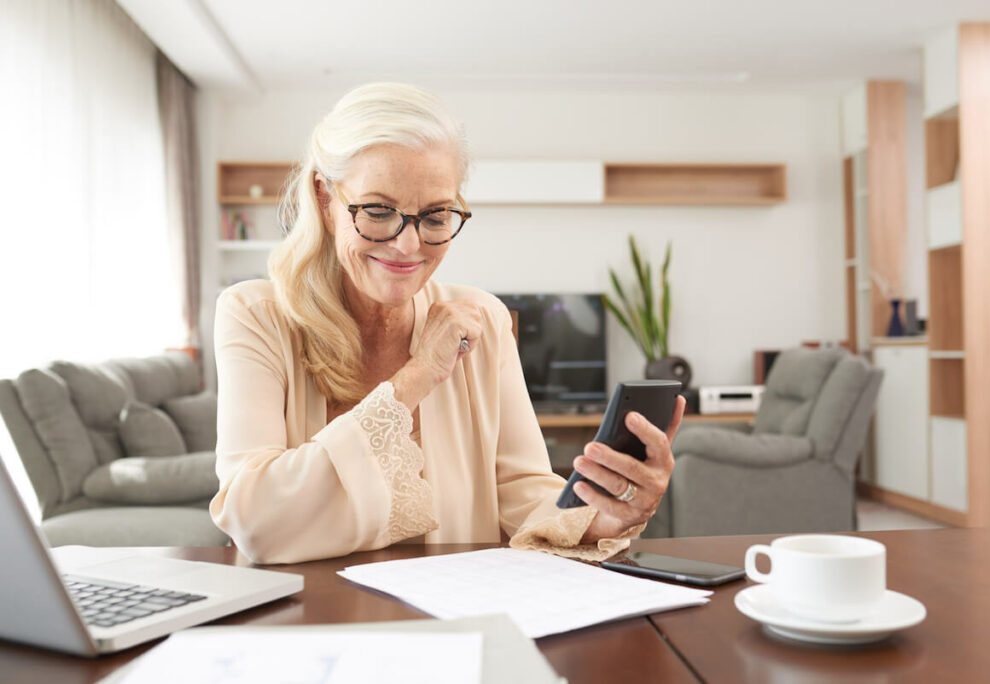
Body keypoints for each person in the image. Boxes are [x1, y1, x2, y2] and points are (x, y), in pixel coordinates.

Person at [211, 83, 684, 564]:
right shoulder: (255, 315)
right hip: (310, 624)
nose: (407, 246)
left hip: (459, 619)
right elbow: (253, 522)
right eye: (378, 211)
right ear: (325, 199)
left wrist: (605, 515)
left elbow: (523, 492)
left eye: (435, 216)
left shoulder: (484, 318)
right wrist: (417, 378)